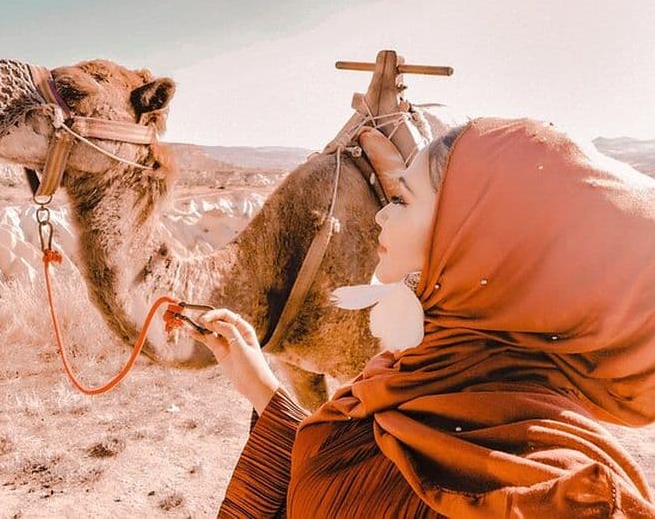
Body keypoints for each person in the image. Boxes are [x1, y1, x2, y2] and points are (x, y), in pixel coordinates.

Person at [189, 117, 655, 518]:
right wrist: (259, 385)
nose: (380, 218)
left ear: (475, 244)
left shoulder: (558, 492)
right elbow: (345, 475)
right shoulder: (417, 378)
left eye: (404, 201)